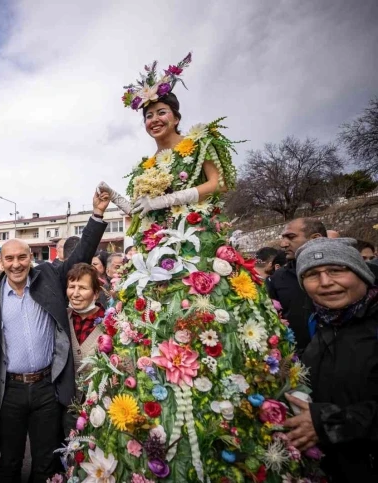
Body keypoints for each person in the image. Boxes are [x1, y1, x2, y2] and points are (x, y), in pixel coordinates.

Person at [84, 53, 318, 482]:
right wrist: (121, 200)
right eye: (149, 115)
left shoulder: (198, 145)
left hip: (196, 243)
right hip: (153, 255)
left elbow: (217, 184)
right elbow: (140, 217)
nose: (154, 120)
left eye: (161, 112)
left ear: (175, 116)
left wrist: (169, 200)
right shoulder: (145, 167)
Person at [0, 187, 109, 483]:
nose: (16, 264)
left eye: (22, 257)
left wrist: (97, 214)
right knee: (9, 462)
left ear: (30, 258)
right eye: (9, 258)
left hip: (47, 388)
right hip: (9, 391)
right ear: (2, 260)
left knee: (46, 461)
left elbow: (82, 254)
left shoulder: (48, 277)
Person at [284, 237, 378, 482]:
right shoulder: (320, 322)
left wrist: (329, 422)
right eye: (312, 274)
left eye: (336, 270)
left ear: (361, 274)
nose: (326, 282)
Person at [267, 217, 327, 353]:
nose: (283, 244)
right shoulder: (278, 277)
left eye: (291, 237)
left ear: (315, 238)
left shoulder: (347, 272)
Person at [65, 263, 105, 375]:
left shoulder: (110, 324)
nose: (75, 294)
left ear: (96, 294)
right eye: (72, 287)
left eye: (82, 288)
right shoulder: (63, 319)